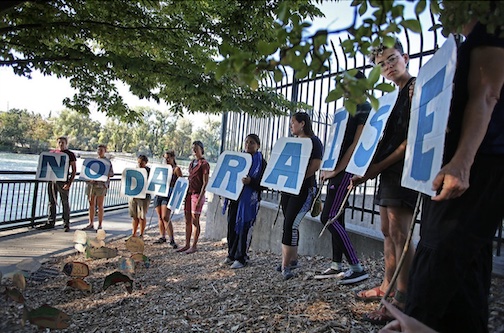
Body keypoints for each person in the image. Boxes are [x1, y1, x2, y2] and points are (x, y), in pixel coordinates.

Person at [404, 16, 504, 333]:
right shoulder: (469, 41)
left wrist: (462, 161)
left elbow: (488, 93)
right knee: (466, 272)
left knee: (436, 263)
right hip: (467, 166)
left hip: (477, 165)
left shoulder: (492, 30)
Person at [350, 39, 417, 323]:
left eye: (391, 59)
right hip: (386, 171)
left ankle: (403, 298)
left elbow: (409, 141)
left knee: (400, 233)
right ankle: (388, 286)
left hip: (402, 170)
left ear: (405, 57)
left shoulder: (416, 89)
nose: (387, 67)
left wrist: (376, 168)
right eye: (381, 64)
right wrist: (366, 166)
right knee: (387, 229)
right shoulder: (393, 97)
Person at [314, 72, 370, 285]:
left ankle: (356, 267)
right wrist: (328, 167)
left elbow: (356, 144)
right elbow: (336, 143)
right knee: (338, 218)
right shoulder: (346, 111)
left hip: (346, 170)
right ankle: (337, 264)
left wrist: (336, 170)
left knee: (329, 217)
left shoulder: (364, 107)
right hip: (336, 168)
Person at [278, 112, 323, 280]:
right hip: (288, 189)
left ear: (302, 123)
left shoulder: (314, 142)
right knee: (288, 224)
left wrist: (297, 179)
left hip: (304, 189)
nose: (291, 126)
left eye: (293, 123)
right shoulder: (292, 142)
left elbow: (315, 165)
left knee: (290, 224)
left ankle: (285, 265)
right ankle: (292, 259)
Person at [223, 134, 267, 269]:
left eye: (252, 143)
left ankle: (241, 257)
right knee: (232, 226)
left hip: (249, 202)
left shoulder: (262, 163)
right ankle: (231, 254)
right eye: (246, 142)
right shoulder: (239, 159)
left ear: (258, 145)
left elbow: (264, 184)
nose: (248, 145)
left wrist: (251, 182)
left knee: (244, 228)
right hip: (235, 199)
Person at [38, 136, 77, 232]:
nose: (61, 144)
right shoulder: (53, 153)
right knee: (51, 202)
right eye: (59, 142)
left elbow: (74, 170)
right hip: (52, 181)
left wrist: (69, 183)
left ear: (66, 143)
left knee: (65, 202)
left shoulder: (70, 154)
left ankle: (66, 223)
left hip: (63, 181)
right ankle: (51, 222)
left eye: (62, 142)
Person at [177, 141, 209, 254]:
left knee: (195, 220)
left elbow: (205, 182)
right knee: (187, 220)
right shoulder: (192, 163)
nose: (194, 151)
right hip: (189, 193)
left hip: (197, 194)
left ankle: (194, 245)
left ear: (201, 149)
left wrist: (200, 197)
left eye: (196, 149)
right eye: (193, 149)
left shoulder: (204, 164)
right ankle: (186, 244)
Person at [153, 150, 182, 249]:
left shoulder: (176, 169)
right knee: (160, 217)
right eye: (165, 158)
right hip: (159, 193)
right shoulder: (162, 168)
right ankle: (162, 236)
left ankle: (172, 239)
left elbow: (181, 183)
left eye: (168, 158)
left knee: (166, 216)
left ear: (173, 158)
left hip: (168, 194)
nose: (166, 160)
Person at [82, 144, 114, 231]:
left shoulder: (107, 162)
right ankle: (91, 223)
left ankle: (100, 225)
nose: (99, 152)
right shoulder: (93, 161)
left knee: (100, 205)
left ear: (105, 151)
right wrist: (90, 179)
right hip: (92, 185)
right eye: (98, 150)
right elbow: (88, 172)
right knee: (91, 204)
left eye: (101, 150)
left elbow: (111, 174)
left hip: (101, 186)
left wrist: (103, 176)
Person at [129, 154, 151, 238]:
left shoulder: (149, 171)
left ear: (145, 163)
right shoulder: (135, 170)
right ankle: (133, 234)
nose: (139, 165)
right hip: (134, 195)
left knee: (142, 216)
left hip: (144, 197)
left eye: (141, 163)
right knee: (134, 216)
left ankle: (141, 234)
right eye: (138, 163)